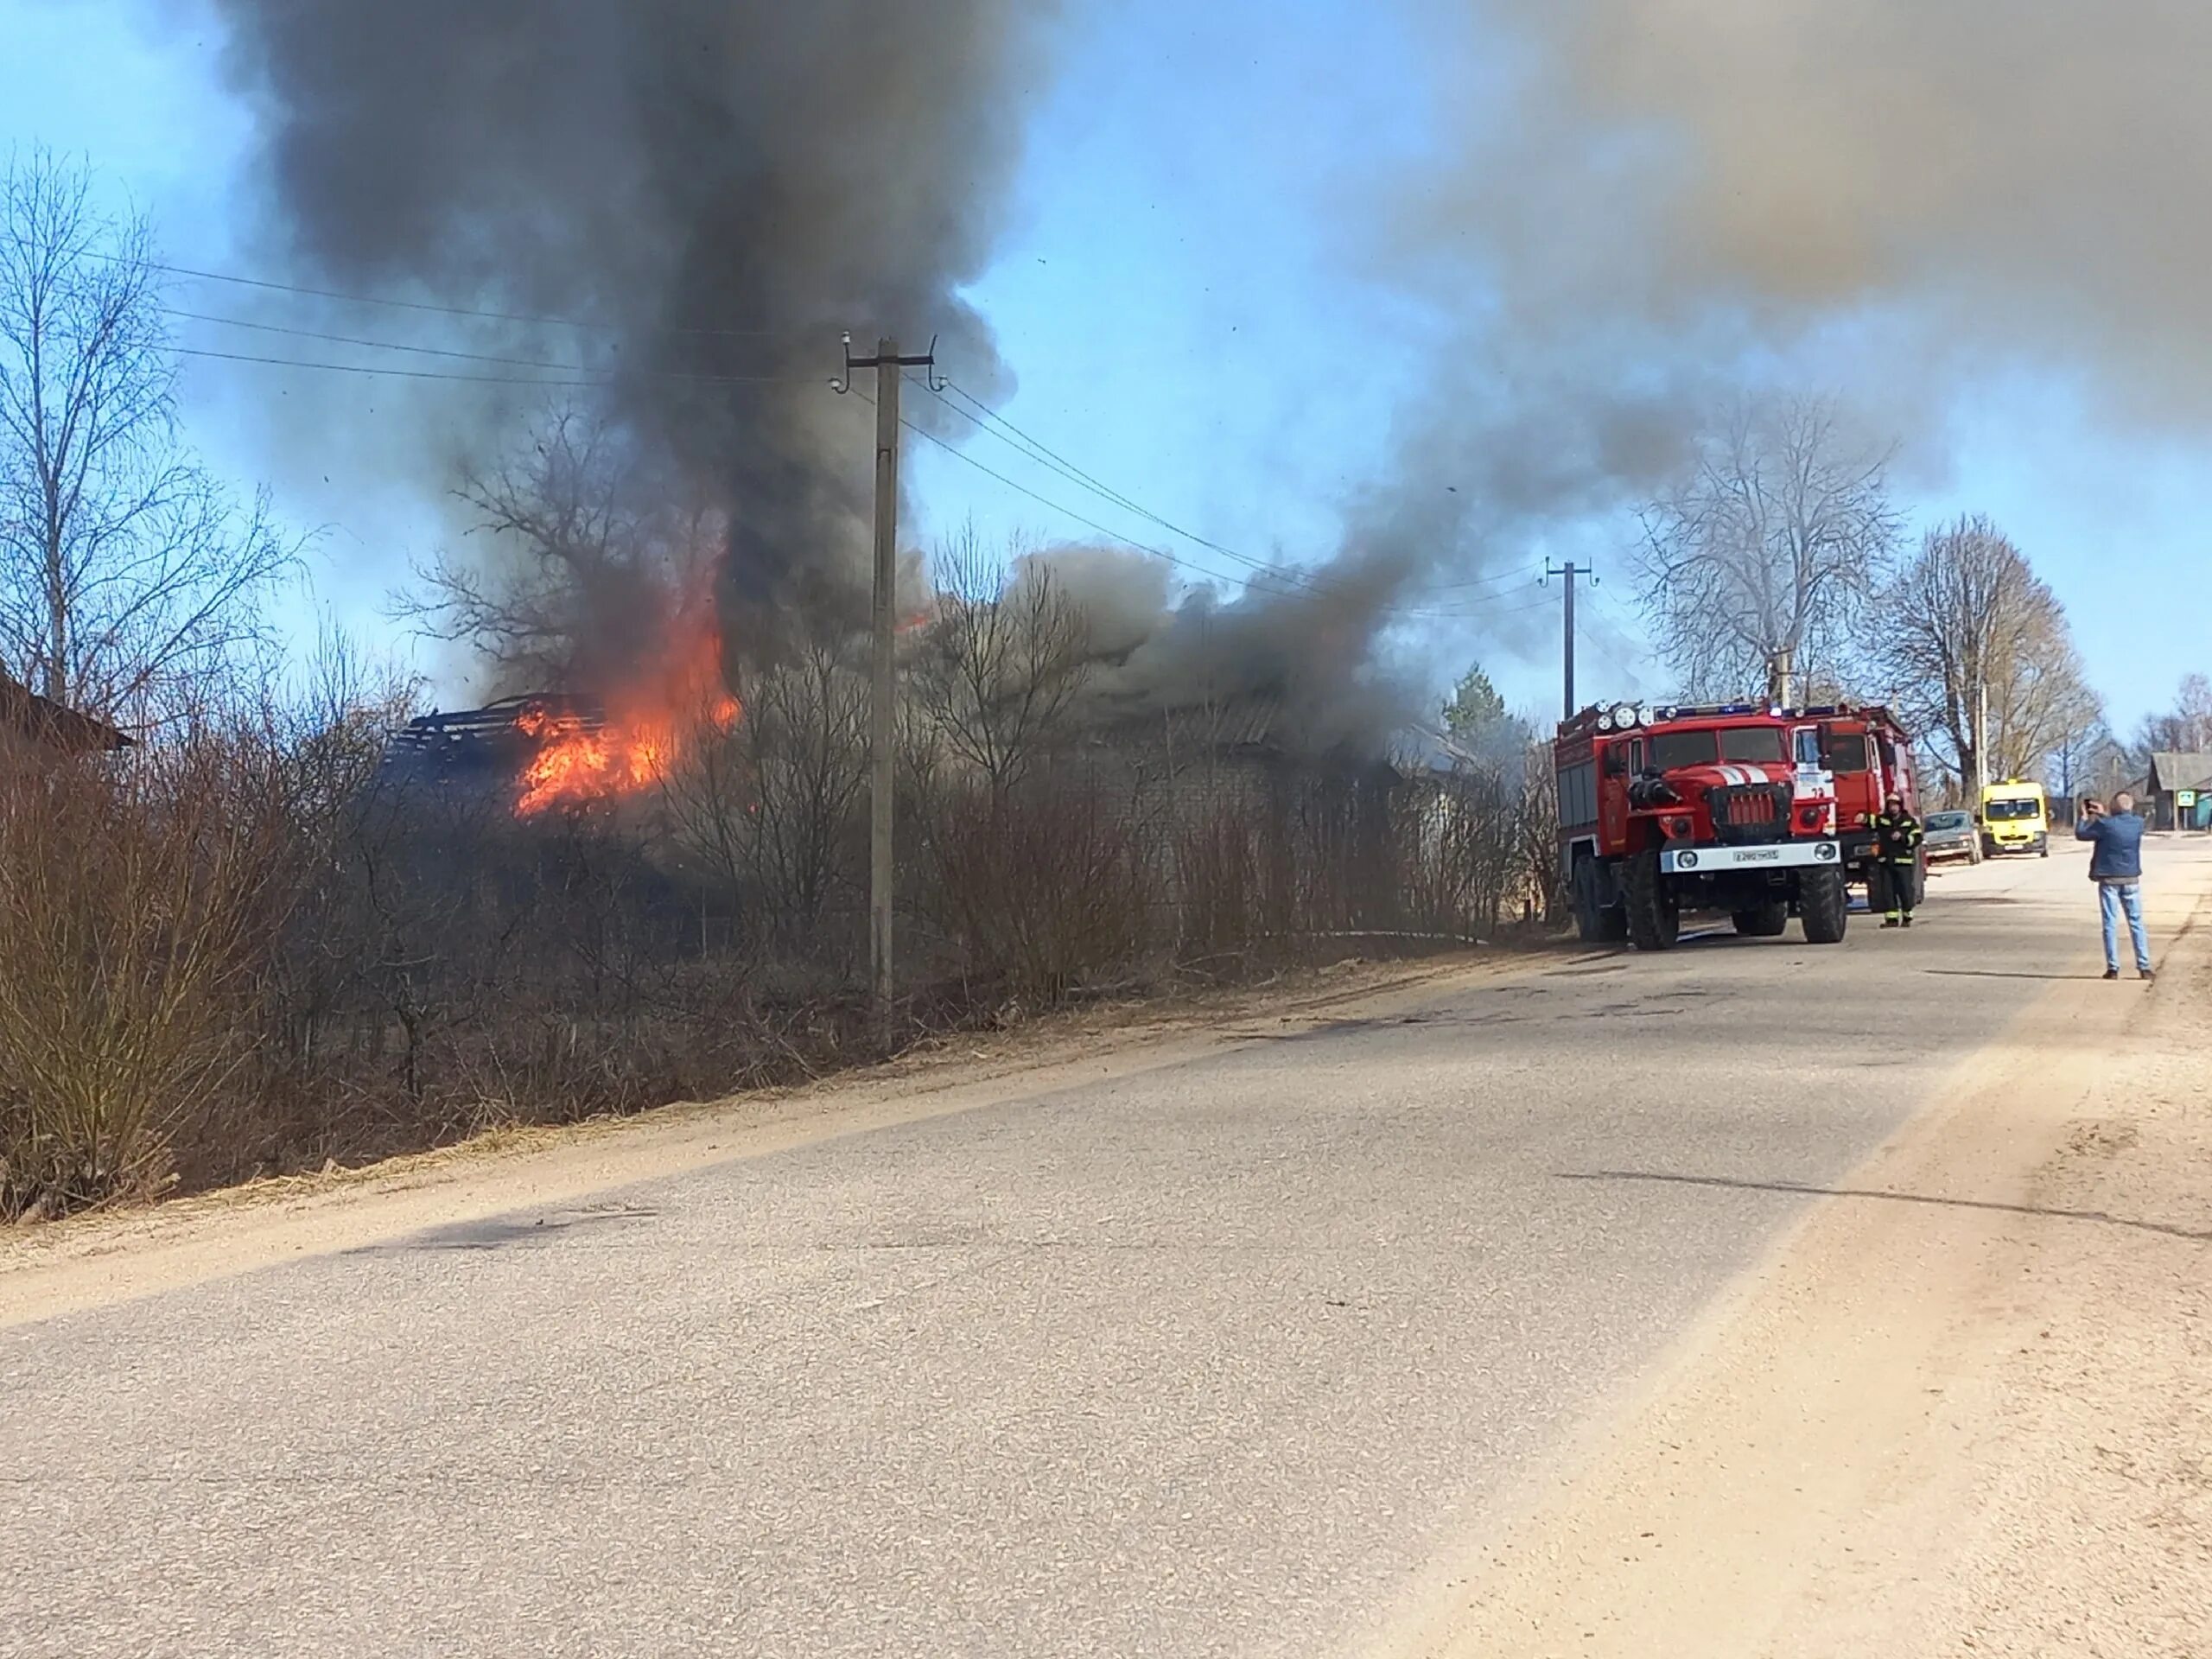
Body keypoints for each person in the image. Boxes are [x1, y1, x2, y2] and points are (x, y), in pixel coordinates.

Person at [2076, 792, 2152, 981]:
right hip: (2131, 879)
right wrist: (2104, 815)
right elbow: (2117, 827)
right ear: (2131, 806)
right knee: (2136, 923)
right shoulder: (2138, 824)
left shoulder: (2104, 825)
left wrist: (2084, 817)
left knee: (2110, 923)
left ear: (2114, 807)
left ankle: (2113, 968)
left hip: (2109, 880)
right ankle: (2144, 966)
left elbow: (2082, 834)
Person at [1870, 791, 1923, 926]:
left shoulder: (1908, 821)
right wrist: (1861, 817)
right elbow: (1871, 821)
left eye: (1895, 805)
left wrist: (1903, 838)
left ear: (1900, 806)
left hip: (1903, 863)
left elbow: (1917, 838)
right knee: (1887, 891)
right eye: (1890, 805)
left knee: (1905, 890)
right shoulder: (1882, 820)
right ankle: (1891, 919)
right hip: (1886, 862)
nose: (1893, 808)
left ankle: (1907, 917)